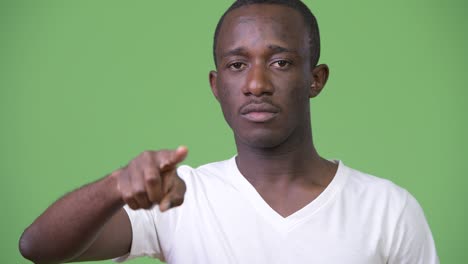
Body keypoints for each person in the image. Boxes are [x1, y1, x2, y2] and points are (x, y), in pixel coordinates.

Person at [19, 0, 439, 263]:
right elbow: (37, 248)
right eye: (237, 65)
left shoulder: (389, 211)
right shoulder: (179, 197)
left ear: (316, 78)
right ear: (217, 86)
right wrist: (115, 185)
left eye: (281, 62)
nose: (256, 84)